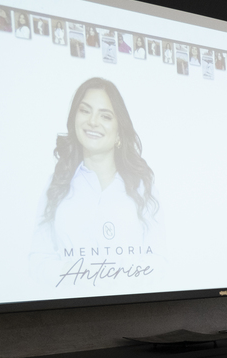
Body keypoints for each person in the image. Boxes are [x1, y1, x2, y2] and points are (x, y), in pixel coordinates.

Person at [31, 78, 160, 277]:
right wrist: (77, 274)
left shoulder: (142, 185)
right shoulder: (57, 184)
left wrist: (119, 279)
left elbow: (159, 262)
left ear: (119, 132)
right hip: (71, 296)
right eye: (85, 111)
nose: (92, 121)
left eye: (105, 116)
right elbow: (38, 261)